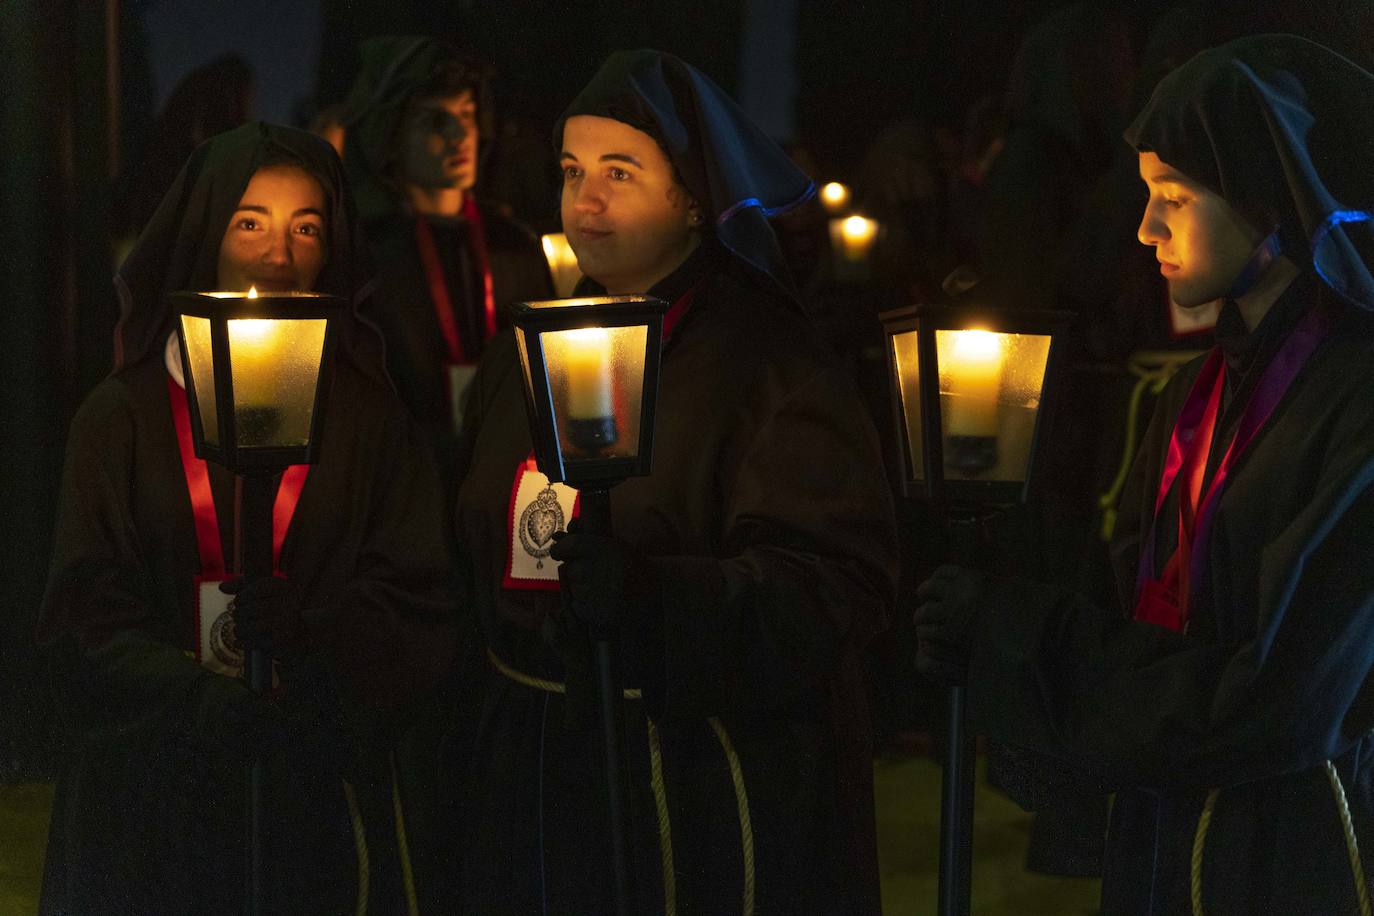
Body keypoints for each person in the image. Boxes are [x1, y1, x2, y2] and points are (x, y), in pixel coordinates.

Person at [914, 35, 1374, 915]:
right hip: (1172, 831)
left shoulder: (1354, 399)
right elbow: (1144, 603)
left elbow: (1285, 694)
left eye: (1173, 196)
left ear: (1266, 195)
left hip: (1299, 848)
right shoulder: (1196, 394)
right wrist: (993, 612)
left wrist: (1036, 640)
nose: (1144, 228)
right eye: (1143, 195)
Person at [453, 50, 899, 914]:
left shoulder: (770, 362)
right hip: (528, 773)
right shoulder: (523, 353)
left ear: (693, 196)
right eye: (572, 171)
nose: (584, 201)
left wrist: (659, 600)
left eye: (619, 173)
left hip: (684, 781)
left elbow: (836, 583)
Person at [36, 122, 457, 915]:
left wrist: (317, 635)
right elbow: (79, 612)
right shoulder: (119, 418)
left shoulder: (369, 418)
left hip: (319, 794)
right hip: (151, 800)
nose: (280, 255)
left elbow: (419, 595)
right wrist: (196, 701)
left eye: (307, 227)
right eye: (251, 222)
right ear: (202, 235)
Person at [341, 36, 552, 489]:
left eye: (467, 116)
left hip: (512, 479)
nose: (460, 137)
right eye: (434, 121)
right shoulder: (368, 257)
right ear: (391, 136)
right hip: (406, 486)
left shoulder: (514, 245)